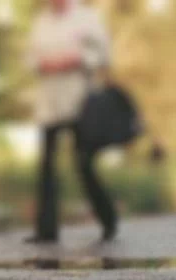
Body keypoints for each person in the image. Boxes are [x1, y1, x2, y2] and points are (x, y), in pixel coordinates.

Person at [25, 0, 117, 243]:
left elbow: (104, 55)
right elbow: (30, 58)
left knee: (83, 163)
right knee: (47, 167)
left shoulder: (86, 18)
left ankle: (108, 219)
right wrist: (43, 64)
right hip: (49, 105)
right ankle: (46, 231)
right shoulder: (41, 21)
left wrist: (78, 59)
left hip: (80, 103)